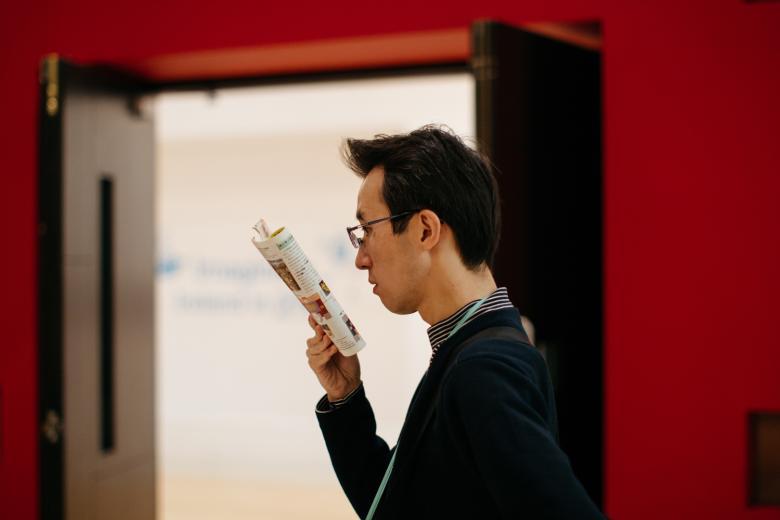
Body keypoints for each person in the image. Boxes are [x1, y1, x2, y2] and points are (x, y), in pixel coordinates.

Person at [305, 126, 604, 519]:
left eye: (367, 231)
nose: (361, 258)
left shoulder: (484, 367)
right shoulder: (466, 348)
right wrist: (345, 395)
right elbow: (392, 503)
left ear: (425, 230)